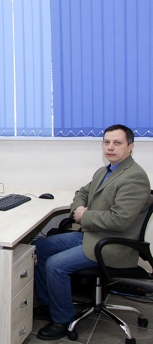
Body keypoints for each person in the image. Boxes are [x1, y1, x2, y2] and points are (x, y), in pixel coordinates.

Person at [32, 124, 151, 341]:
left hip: (112, 245)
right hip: (92, 235)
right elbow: (82, 192)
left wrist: (84, 216)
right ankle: (49, 305)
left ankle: (62, 320)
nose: (110, 147)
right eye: (107, 142)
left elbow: (120, 220)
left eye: (117, 143)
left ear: (130, 147)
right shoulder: (104, 171)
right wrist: (78, 209)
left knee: (56, 265)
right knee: (39, 248)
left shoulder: (135, 177)